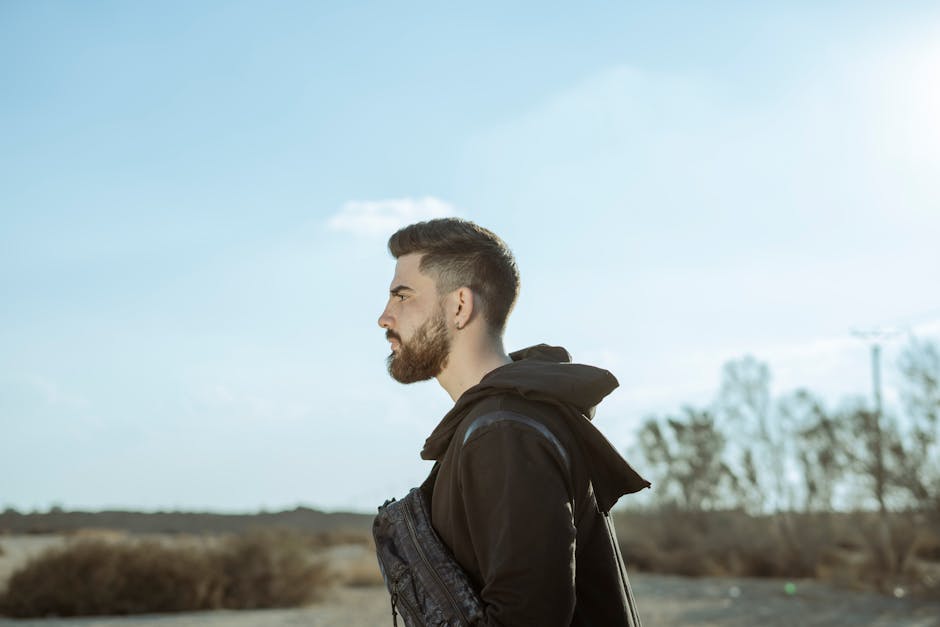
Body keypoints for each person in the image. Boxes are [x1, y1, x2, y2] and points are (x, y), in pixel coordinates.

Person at [377, 217, 650, 626]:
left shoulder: (505, 431)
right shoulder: (498, 422)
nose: (385, 317)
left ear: (459, 306)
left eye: (402, 296)